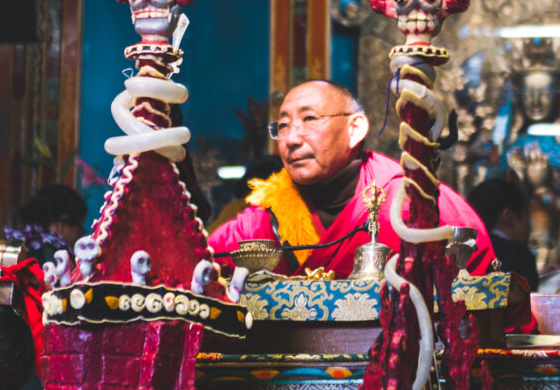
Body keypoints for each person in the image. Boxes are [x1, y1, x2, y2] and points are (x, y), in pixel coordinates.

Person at [209, 80, 496, 276]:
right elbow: (200, 265)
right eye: (282, 126)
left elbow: (479, 284)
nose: (291, 139)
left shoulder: (407, 199)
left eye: (309, 120)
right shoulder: (263, 219)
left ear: (355, 128)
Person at [467, 177, 539, 290]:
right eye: (526, 216)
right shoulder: (520, 256)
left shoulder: (465, 252)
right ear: (509, 216)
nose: (529, 226)